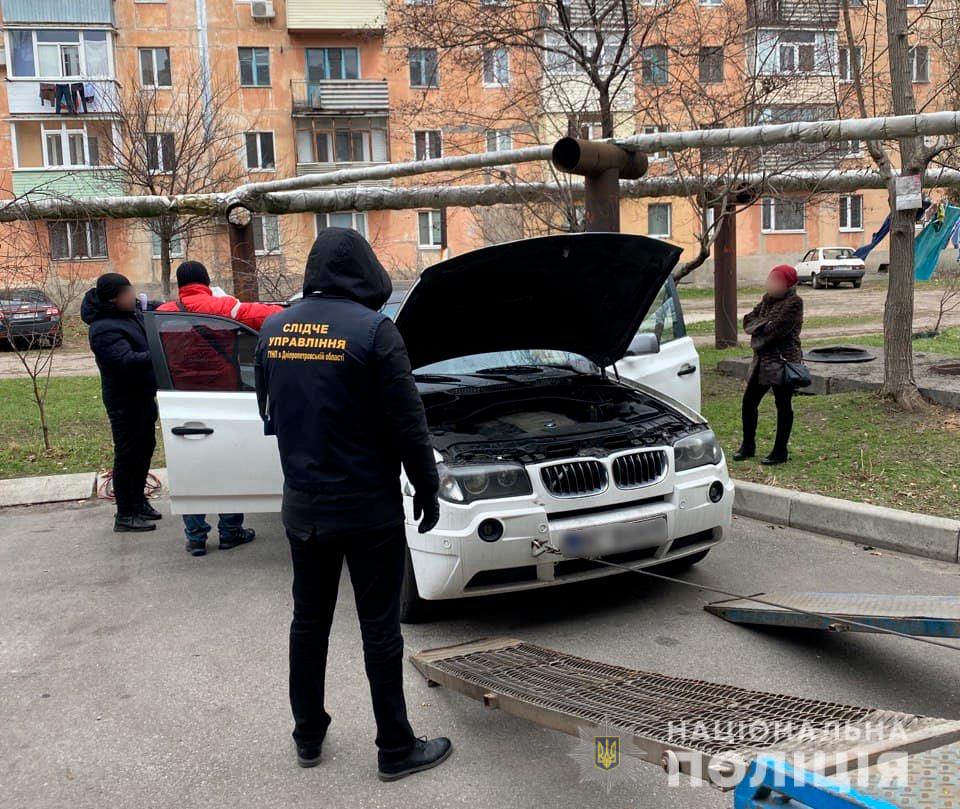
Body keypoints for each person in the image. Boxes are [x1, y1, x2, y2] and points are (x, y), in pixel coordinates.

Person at [255, 228, 451, 781]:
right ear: (365, 271)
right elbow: (409, 427)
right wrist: (428, 488)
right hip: (369, 512)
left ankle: (308, 737)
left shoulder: (273, 329)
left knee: (308, 623)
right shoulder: (375, 332)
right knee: (380, 630)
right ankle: (395, 747)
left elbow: (268, 411)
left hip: (304, 510)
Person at [158, 260, 283, 556]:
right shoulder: (225, 307)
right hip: (223, 397)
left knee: (192, 467)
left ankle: (197, 537)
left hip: (182, 400)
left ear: (179, 285)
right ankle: (230, 531)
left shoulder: (163, 314)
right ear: (206, 280)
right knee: (226, 464)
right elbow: (269, 317)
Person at [81, 273, 161, 532]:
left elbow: (154, 309)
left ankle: (139, 502)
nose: (133, 297)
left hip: (143, 397)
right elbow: (126, 361)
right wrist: (161, 354)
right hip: (124, 402)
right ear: (114, 299)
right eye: (128, 293)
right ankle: (125, 514)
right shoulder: (103, 328)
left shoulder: (129, 314)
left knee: (145, 449)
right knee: (128, 456)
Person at [734, 264, 804, 466]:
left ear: (787, 283)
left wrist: (760, 329)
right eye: (770, 279)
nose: (770, 283)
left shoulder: (794, 302)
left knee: (783, 406)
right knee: (749, 403)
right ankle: (748, 446)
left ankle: (780, 451)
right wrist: (761, 326)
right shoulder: (766, 300)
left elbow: (776, 331)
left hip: (783, 362)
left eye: (776, 280)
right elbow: (748, 321)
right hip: (762, 362)